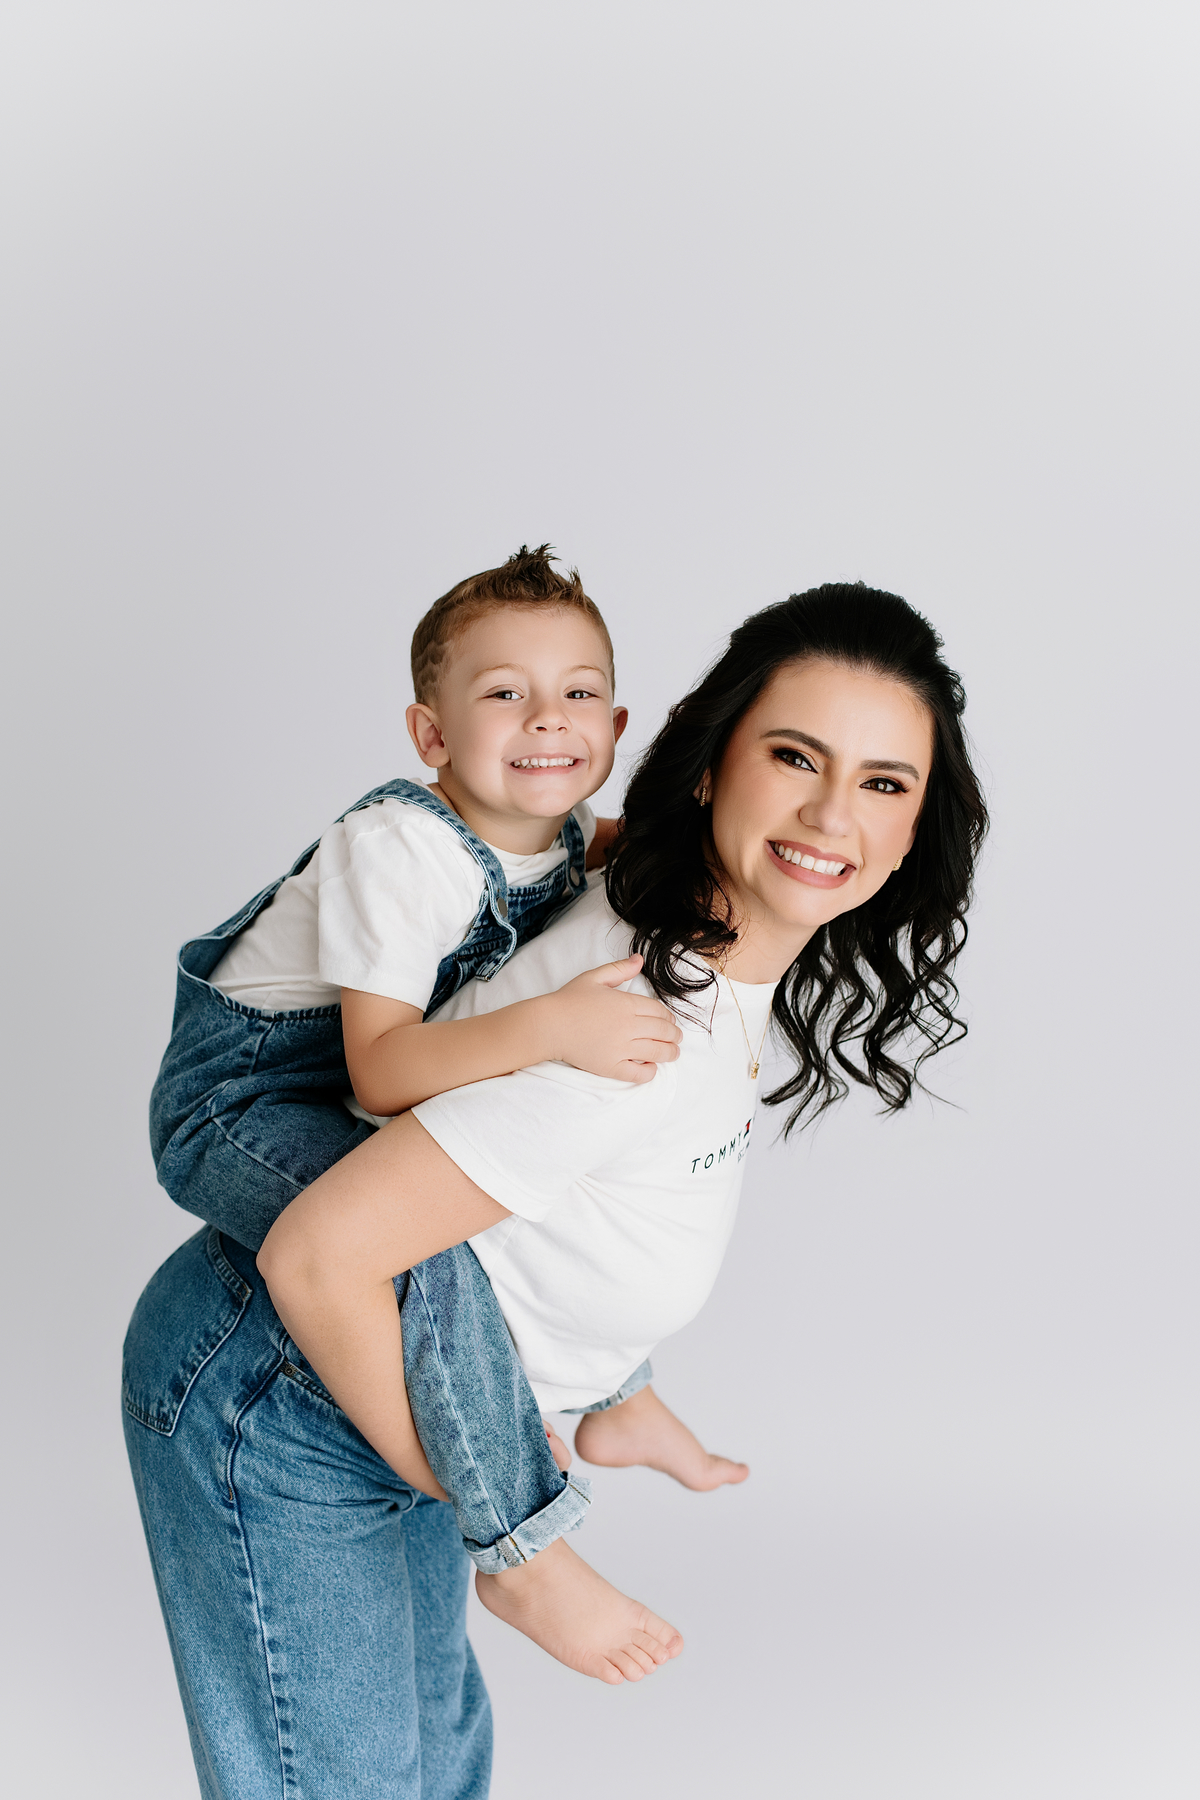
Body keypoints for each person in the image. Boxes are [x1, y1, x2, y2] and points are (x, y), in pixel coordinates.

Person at [124, 581, 987, 1797]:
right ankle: (527, 1552)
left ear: (914, 830)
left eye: (884, 783)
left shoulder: (672, 925)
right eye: (795, 757)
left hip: (386, 1377)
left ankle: (560, 1474)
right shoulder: (620, 1016)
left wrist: (597, 1390)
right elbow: (323, 1249)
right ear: (708, 764)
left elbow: (572, 1222)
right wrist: (491, 1510)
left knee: (436, 1763)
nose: (833, 812)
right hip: (289, 1388)